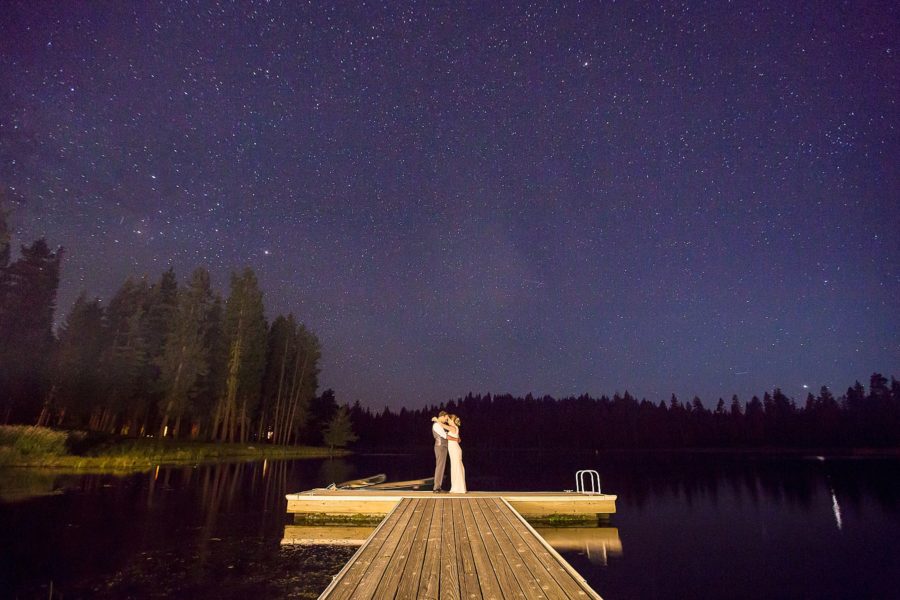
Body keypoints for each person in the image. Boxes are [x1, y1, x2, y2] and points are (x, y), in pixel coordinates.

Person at [434, 413, 466, 493]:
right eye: (447, 419)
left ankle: (459, 488)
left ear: (453, 421)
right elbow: (456, 438)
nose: (447, 421)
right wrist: (457, 439)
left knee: (456, 467)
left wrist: (436, 420)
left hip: (454, 449)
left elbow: (442, 426)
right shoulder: (454, 427)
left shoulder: (452, 427)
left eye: (449, 420)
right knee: (455, 467)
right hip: (453, 449)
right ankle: (457, 487)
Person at [431, 411, 449, 493]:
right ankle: (436, 488)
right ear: (442, 416)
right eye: (446, 418)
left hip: (442, 447)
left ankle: (438, 486)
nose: (446, 420)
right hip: (440, 447)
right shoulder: (436, 425)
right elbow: (444, 435)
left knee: (441, 467)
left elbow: (444, 434)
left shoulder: (439, 425)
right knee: (440, 466)